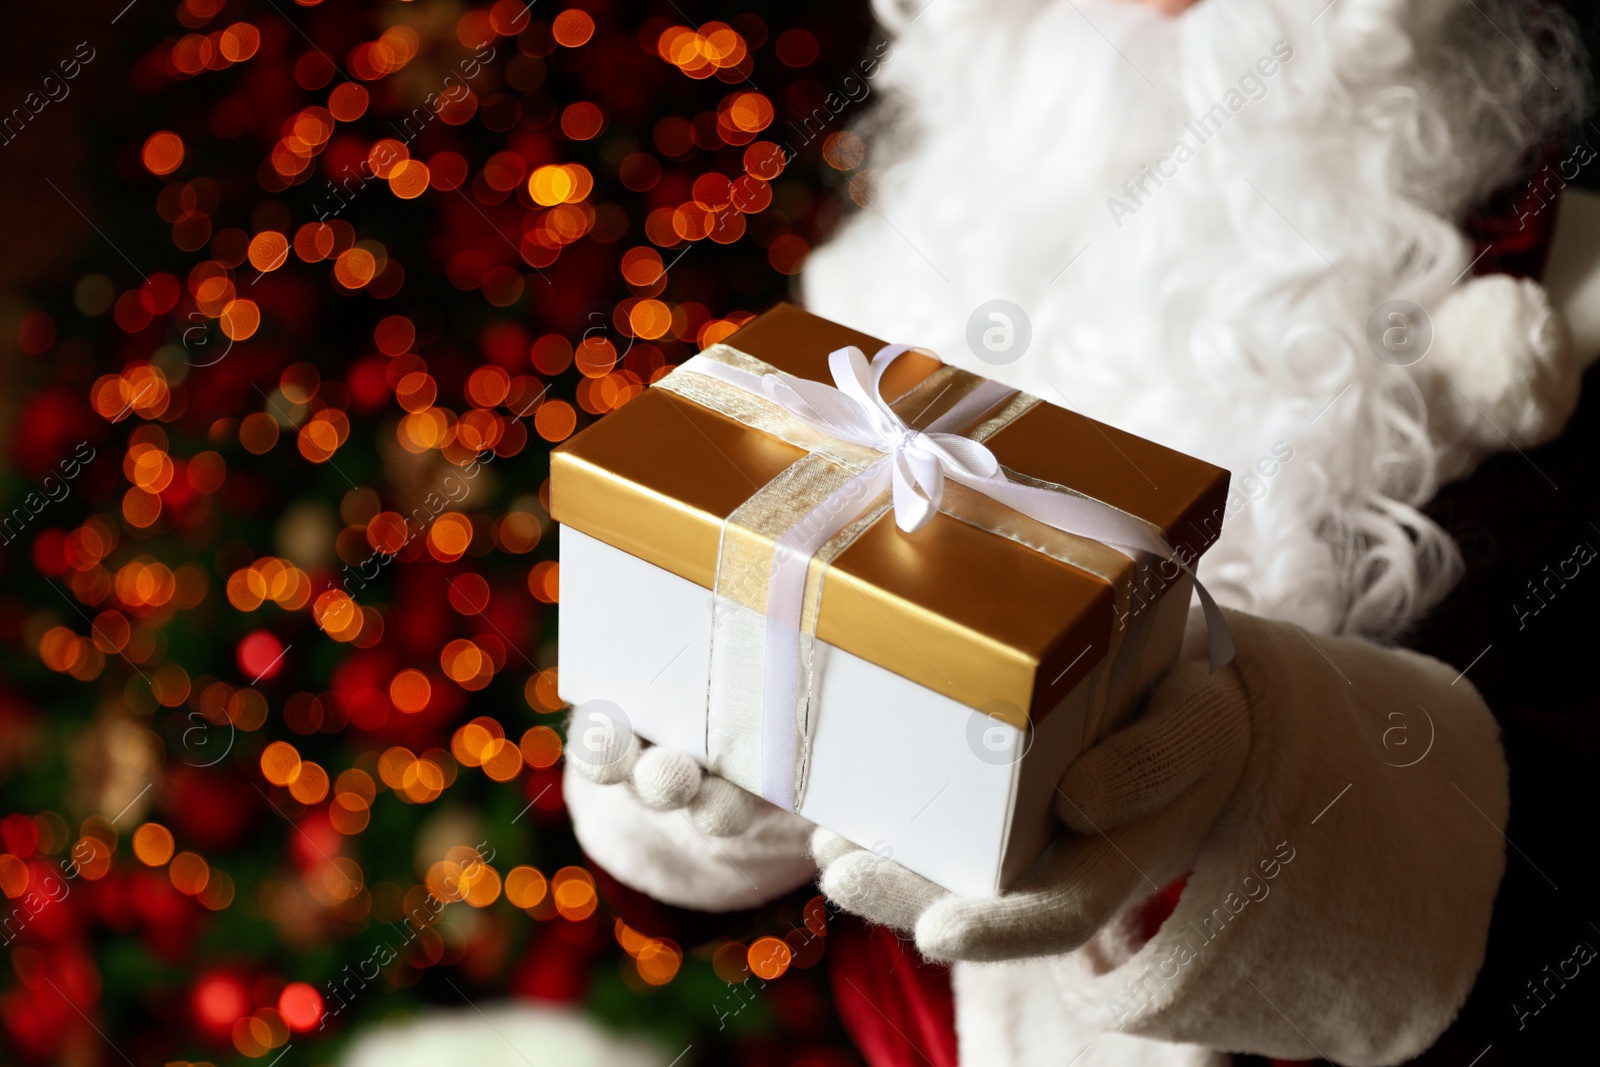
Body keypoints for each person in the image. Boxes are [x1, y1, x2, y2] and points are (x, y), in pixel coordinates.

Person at [564, 0, 1599, 1062]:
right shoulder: (913, 233)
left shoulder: (1556, 273)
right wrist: (735, 753)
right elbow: (682, 913)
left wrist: (1260, 787)